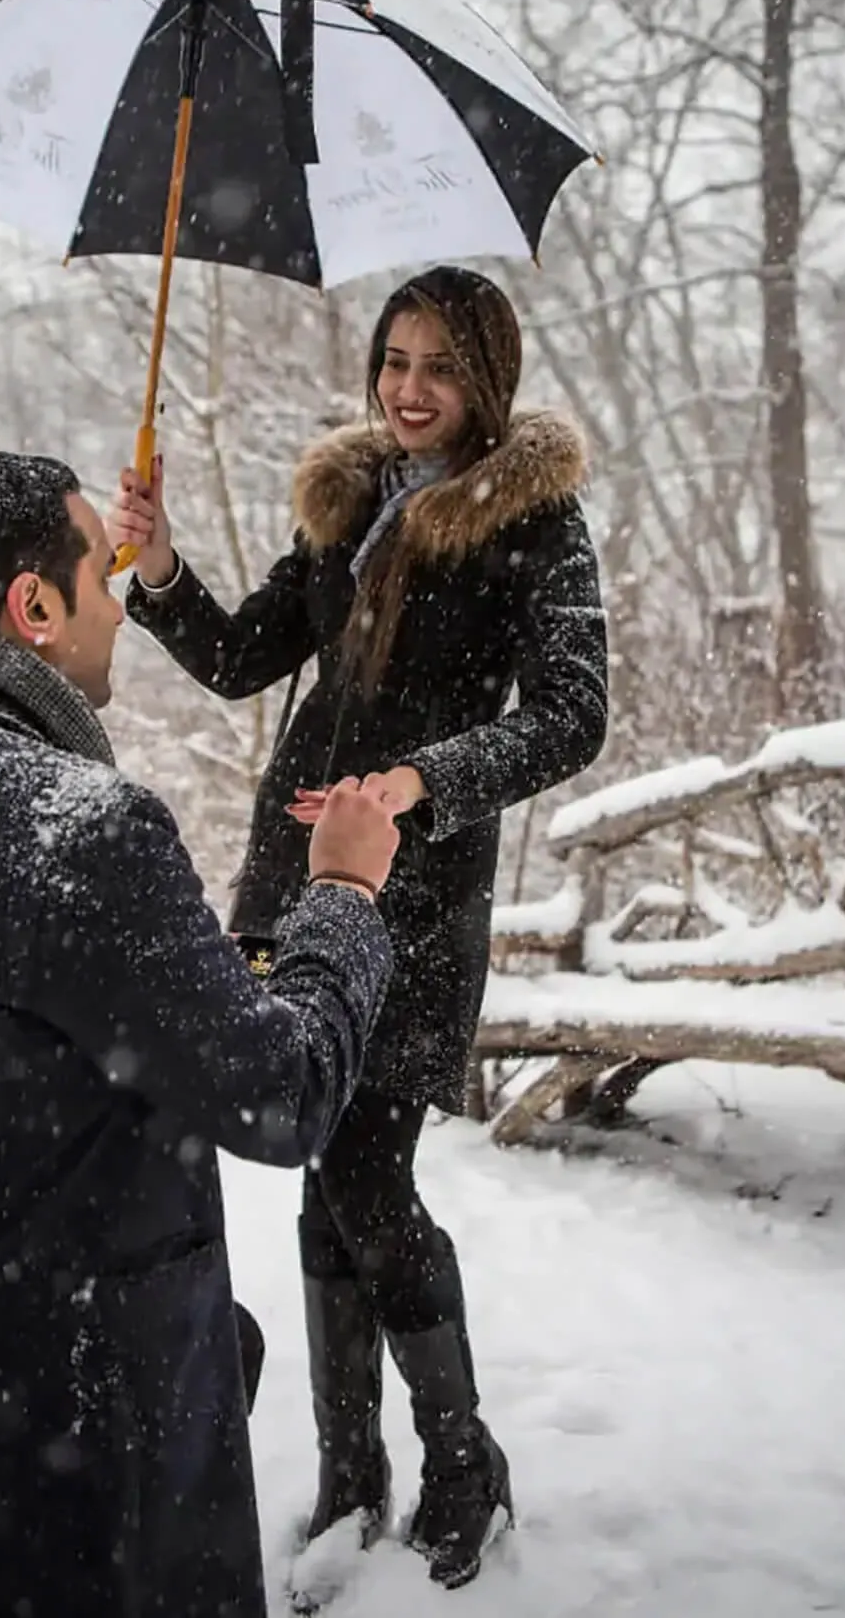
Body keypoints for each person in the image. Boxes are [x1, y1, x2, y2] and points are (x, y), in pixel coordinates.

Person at [0, 452, 402, 1618]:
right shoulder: (75, 828)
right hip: (42, 1505)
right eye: (100, 573)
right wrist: (344, 898)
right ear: (36, 608)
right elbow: (285, 1090)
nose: (118, 603)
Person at [110, 264, 610, 1592]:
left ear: (485, 380)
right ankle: (351, 1467)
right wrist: (157, 567)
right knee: (326, 1170)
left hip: (422, 887)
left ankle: (459, 1458)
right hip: (298, 876)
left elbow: (572, 714)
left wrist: (420, 781)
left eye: (440, 364)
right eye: (395, 358)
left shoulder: (536, 518)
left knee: (367, 1174)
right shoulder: (345, 506)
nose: (409, 387)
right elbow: (236, 652)